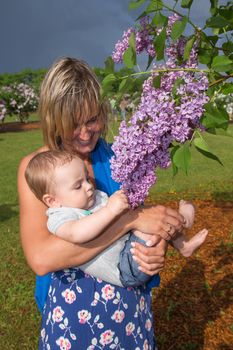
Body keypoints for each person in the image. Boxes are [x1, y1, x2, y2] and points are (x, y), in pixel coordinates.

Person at [18, 57, 185, 350]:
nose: (85, 134)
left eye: (92, 120)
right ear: (53, 120)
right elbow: (42, 258)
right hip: (73, 312)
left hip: (129, 308)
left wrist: (154, 251)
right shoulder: (36, 170)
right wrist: (130, 221)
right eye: (73, 125)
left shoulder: (120, 156)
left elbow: (142, 228)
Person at [25, 150, 208, 288]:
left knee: (149, 217)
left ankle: (183, 241)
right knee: (145, 221)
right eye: (78, 185)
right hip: (125, 269)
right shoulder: (60, 216)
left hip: (133, 252)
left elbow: (128, 215)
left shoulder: (92, 198)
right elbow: (78, 234)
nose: (89, 187)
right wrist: (112, 210)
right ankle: (183, 222)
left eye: (87, 179)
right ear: (53, 200)